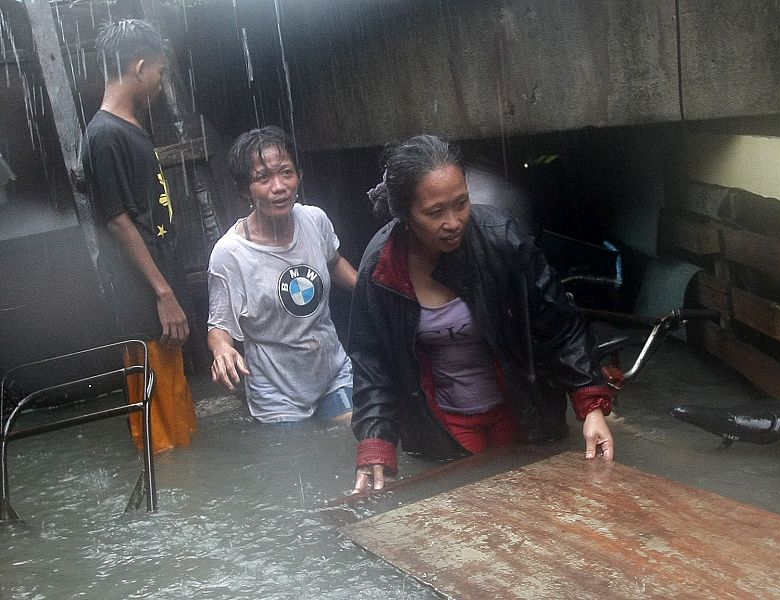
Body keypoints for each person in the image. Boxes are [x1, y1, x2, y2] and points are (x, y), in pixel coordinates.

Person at [350, 134, 615, 493]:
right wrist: (376, 443)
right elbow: (372, 361)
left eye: (461, 204)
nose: (454, 222)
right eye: (434, 212)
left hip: (520, 411)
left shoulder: (502, 241)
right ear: (404, 214)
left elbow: (559, 324)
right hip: (441, 425)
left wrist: (590, 404)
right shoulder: (381, 268)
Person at [80, 19, 196, 453]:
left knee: (176, 404)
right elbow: (118, 221)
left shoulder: (128, 127)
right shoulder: (105, 135)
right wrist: (163, 294)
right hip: (144, 298)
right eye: (161, 74)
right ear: (140, 66)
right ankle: (175, 495)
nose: (161, 84)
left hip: (158, 292)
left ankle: (190, 492)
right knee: (159, 426)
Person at [207, 126, 358, 424]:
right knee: (296, 462)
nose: (279, 186)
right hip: (276, 391)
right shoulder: (230, 253)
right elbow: (219, 327)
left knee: (353, 441)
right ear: (244, 189)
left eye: (286, 172)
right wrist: (223, 349)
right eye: (263, 178)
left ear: (299, 175)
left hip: (331, 371)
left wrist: (373, 288)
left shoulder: (314, 220)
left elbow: (333, 261)